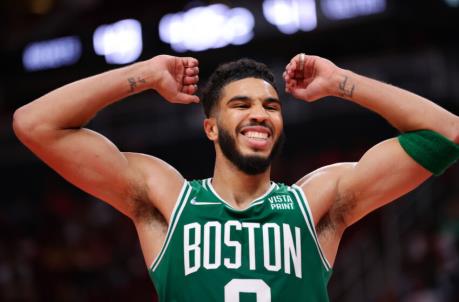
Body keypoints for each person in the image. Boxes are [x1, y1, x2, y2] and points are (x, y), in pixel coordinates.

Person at [12, 53, 459, 301]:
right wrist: (142, 75)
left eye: (270, 105)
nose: (259, 114)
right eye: (241, 105)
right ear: (211, 127)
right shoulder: (169, 200)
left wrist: (342, 80)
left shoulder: (316, 203)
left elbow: (448, 134)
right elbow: (34, 124)